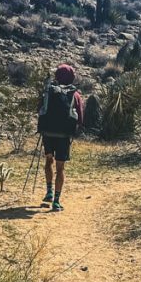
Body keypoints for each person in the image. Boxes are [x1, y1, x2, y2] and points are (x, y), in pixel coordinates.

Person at [37, 63, 84, 212]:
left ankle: (49, 191)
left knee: (48, 160)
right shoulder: (74, 94)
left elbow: (40, 109)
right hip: (63, 135)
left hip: (48, 133)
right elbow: (81, 118)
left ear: (57, 75)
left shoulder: (49, 91)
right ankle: (56, 201)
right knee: (60, 167)